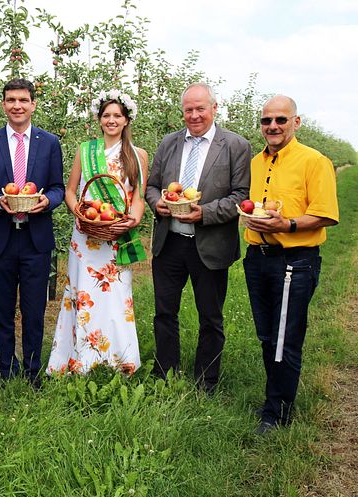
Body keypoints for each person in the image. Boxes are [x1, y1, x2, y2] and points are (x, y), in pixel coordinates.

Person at [145, 82, 251, 393]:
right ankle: (166, 374)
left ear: (214, 108)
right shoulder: (169, 143)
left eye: (200, 108)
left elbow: (241, 196)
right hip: (170, 243)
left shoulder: (235, 145)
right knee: (165, 312)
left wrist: (203, 213)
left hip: (210, 245)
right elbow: (152, 186)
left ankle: (206, 381)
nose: (194, 115)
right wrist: (158, 203)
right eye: (188, 109)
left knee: (210, 317)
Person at [242, 95, 338, 435]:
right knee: (267, 335)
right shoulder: (255, 162)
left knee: (286, 337)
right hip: (257, 259)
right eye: (267, 121)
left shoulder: (314, 161)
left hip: (294, 261)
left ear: (296, 122)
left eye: (281, 120)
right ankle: (276, 397)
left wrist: (288, 225)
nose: (273, 127)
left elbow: (326, 213)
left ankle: (278, 413)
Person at [0, 78, 65, 388]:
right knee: (2, 309)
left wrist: (46, 201)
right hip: (1, 238)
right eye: (11, 100)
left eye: (23, 100)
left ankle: (32, 369)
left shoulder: (49, 142)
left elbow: (58, 189)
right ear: (3, 105)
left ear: (33, 104)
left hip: (36, 239)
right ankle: (6, 368)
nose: (17, 105)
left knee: (34, 310)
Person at [47, 90, 148, 375]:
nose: (111, 120)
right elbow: (70, 191)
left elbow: (138, 197)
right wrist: (78, 214)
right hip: (86, 236)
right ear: (99, 119)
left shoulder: (138, 155)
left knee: (116, 297)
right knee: (82, 294)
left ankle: (117, 361)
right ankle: (79, 361)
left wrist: (134, 220)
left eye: (117, 115)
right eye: (106, 116)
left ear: (127, 120)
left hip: (117, 235)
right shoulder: (85, 150)